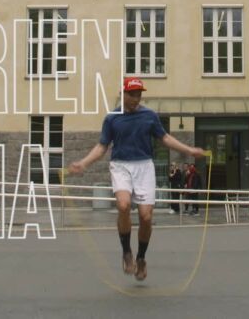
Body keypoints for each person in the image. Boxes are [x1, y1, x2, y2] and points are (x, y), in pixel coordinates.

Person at [67, 77, 206, 282]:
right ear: (123, 94)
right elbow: (102, 146)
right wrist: (84, 163)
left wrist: (189, 150)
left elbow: (164, 138)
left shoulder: (149, 115)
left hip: (144, 166)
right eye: (132, 94)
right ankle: (126, 252)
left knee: (146, 217)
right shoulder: (112, 118)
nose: (136, 98)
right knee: (123, 205)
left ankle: (141, 257)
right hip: (121, 165)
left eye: (139, 94)